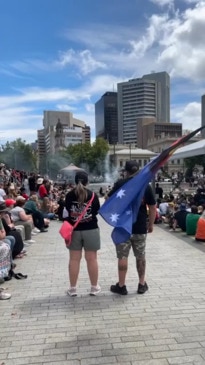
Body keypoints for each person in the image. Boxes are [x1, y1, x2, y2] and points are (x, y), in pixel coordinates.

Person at [107, 160, 156, 295]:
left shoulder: (120, 184)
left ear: (126, 171)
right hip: (140, 226)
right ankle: (141, 284)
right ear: (138, 170)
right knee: (140, 256)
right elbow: (152, 207)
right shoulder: (145, 185)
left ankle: (121, 285)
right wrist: (150, 224)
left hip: (123, 226)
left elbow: (109, 201)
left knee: (122, 256)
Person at [65, 171, 101, 297]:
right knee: (92, 259)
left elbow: (67, 211)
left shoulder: (69, 195)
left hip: (74, 230)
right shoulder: (92, 195)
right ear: (87, 182)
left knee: (74, 259)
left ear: (75, 181)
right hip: (91, 228)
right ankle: (94, 287)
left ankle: (73, 288)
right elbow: (96, 211)